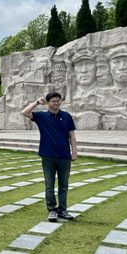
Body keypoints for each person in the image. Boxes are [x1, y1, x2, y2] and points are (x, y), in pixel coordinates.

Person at [21, 92, 77, 222]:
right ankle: (52, 210)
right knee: (49, 184)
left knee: (64, 185)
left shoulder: (66, 116)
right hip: (48, 156)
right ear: (47, 103)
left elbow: (72, 135)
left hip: (64, 155)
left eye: (58, 101)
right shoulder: (42, 116)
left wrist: (74, 151)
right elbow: (24, 112)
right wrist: (37, 102)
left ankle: (62, 210)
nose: (56, 103)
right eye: (53, 101)